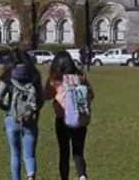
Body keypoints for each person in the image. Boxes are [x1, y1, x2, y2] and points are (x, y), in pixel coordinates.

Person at [0, 48, 44, 180]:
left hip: (12, 118)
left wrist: (6, 108)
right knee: (29, 155)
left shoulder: (8, 75)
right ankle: (30, 176)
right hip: (30, 120)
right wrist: (34, 110)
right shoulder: (35, 75)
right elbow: (41, 99)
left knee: (15, 154)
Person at [45, 51, 94, 180]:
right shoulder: (80, 76)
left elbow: (46, 96)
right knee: (78, 151)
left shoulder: (55, 80)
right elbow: (91, 95)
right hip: (80, 118)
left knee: (64, 152)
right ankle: (82, 175)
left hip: (63, 119)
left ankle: (64, 177)